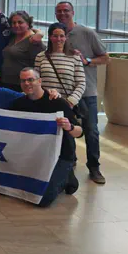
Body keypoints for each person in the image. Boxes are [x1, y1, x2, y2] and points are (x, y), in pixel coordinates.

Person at [11, 68, 81, 207]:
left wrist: (69, 127)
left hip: (61, 155)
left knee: (42, 199)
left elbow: (80, 132)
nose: (27, 83)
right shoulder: (18, 104)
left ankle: (67, 178)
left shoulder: (57, 102)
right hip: (34, 154)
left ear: (40, 81)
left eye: (30, 79)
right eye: (23, 81)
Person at [56, 1, 109, 184]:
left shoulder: (87, 33)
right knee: (66, 128)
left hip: (86, 92)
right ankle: (70, 160)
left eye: (66, 10)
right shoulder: (57, 35)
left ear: (73, 12)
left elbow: (105, 58)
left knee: (91, 130)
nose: (62, 14)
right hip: (65, 93)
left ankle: (94, 167)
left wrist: (86, 61)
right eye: (59, 11)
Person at [34, 23, 86, 108]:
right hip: (44, 103)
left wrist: (71, 101)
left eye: (61, 36)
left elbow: (81, 83)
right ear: (50, 37)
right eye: (55, 36)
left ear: (66, 37)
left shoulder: (75, 57)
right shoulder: (40, 56)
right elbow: (36, 81)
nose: (58, 39)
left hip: (67, 104)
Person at [0, 11, 45, 91]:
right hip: (7, 83)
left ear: (28, 23)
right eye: (14, 23)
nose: (16, 25)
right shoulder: (13, 37)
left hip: (22, 85)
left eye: (20, 22)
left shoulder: (34, 40)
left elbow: (38, 65)